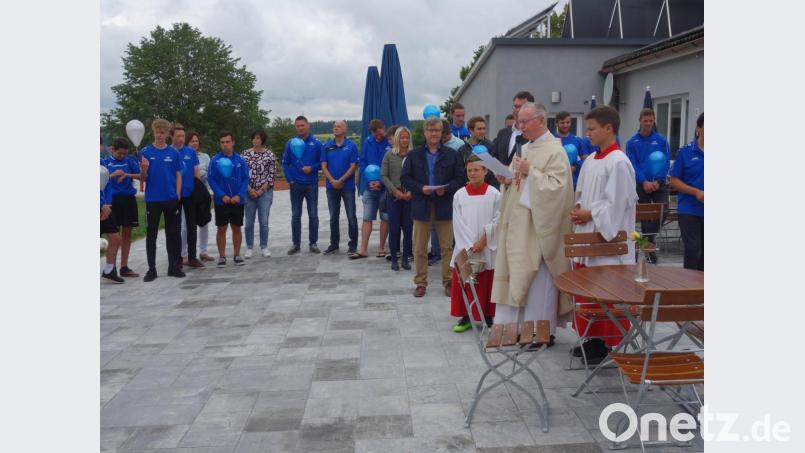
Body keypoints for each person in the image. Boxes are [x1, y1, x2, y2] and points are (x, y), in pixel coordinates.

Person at [491, 103, 575, 345]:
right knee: (517, 273)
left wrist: (531, 172)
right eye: (519, 121)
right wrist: (506, 178)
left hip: (538, 229)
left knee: (540, 282)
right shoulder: (525, 148)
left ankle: (541, 334)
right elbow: (517, 179)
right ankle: (517, 328)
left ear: (541, 121)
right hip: (519, 226)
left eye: (525, 121)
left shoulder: (555, 151)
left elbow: (557, 190)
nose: (520, 126)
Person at [570, 106, 638, 361]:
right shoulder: (590, 160)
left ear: (608, 129)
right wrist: (577, 210)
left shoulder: (619, 162)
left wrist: (589, 214)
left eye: (591, 129)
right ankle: (592, 338)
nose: (587, 134)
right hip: (589, 234)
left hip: (608, 240)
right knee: (588, 290)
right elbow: (582, 195)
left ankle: (606, 343)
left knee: (605, 289)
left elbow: (617, 205)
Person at [401, 117, 466, 298]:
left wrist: (445, 189)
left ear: (442, 133)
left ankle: (448, 282)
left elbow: (460, 179)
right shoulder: (413, 155)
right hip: (421, 205)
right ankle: (421, 283)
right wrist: (420, 188)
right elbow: (405, 178)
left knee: (447, 247)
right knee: (420, 248)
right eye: (430, 130)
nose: (434, 133)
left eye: (437, 130)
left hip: (444, 204)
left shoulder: (452, 154)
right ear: (424, 133)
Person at [450, 157, 501, 332]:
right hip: (466, 247)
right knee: (464, 280)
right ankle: (465, 317)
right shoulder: (459, 195)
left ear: (485, 171)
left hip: (486, 245)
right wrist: (470, 244)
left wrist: (482, 242)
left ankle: (488, 316)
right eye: (470, 170)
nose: (472, 173)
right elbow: (458, 222)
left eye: (477, 170)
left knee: (487, 281)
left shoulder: (494, 194)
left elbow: (498, 220)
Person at [139, 118, 184, 282]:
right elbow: (143, 179)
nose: (159, 135)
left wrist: (178, 193)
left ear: (167, 134)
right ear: (153, 132)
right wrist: (143, 170)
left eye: (163, 132)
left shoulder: (174, 153)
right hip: (153, 200)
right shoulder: (145, 152)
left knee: (172, 234)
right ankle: (152, 269)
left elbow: (178, 174)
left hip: (171, 199)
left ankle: (173, 267)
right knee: (151, 235)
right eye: (157, 132)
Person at [626, 108, 670, 263]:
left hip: (658, 183)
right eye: (646, 121)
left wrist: (658, 181)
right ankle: (650, 252)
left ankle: (645, 240)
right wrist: (644, 181)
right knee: (645, 216)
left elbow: (665, 161)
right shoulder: (632, 142)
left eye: (651, 121)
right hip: (641, 184)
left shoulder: (661, 140)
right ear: (640, 121)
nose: (649, 124)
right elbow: (632, 164)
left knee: (663, 210)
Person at [208, 131, 250, 267]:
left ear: (233, 142)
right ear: (220, 144)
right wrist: (222, 195)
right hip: (222, 201)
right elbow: (211, 179)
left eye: (227, 141)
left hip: (238, 200)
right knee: (222, 228)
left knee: (236, 228)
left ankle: (237, 255)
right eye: (222, 142)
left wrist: (239, 195)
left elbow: (245, 179)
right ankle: (222, 257)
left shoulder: (240, 160)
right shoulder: (215, 160)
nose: (225, 144)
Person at [282, 116, 323, 254]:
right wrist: (290, 179)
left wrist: (312, 168)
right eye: (297, 126)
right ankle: (296, 243)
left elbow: (322, 163)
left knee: (313, 214)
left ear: (308, 125)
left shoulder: (317, 143)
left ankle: (313, 243)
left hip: (311, 184)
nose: (300, 128)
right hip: (296, 185)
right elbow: (285, 162)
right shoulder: (290, 143)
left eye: (302, 125)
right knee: (295, 215)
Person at [669, 112, 704, 271]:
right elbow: (674, 180)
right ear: (699, 129)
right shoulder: (685, 152)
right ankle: (688, 288)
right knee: (692, 250)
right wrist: (696, 192)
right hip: (689, 209)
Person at [320, 120, 359, 255]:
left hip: (347, 186)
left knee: (351, 216)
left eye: (338, 126)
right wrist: (332, 180)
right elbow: (323, 166)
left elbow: (353, 166)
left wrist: (341, 180)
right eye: (334, 126)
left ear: (344, 129)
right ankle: (334, 244)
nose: (335, 128)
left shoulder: (352, 146)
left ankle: (353, 245)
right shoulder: (326, 146)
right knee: (333, 217)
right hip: (331, 187)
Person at [352, 119, 389, 259]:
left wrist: (381, 182)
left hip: (385, 187)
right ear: (372, 133)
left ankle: (381, 247)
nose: (378, 137)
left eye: (380, 134)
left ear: (383, 129)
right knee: (367, 218)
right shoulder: (367, 142)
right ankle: (363, 249)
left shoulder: (389, 142)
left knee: (385, 218)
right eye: (376, 135)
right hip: (369, 186)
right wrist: (370, 180)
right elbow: (362, 162)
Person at [104, 138, 141, 277]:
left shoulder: (130, 160)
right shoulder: (106, 162)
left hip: (128, 200)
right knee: (114, 235)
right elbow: (100, 180)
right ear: (112, 149)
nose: (121, 156)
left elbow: (141, 176)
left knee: (127, 234)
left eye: (124, 154)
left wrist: (126, 174)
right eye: (119, 153)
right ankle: (110, 268)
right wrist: (113, 174)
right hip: (112, 201)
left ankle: (124, 267)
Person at [381, 126, 414, 271]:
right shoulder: (389, 155)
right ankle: (394, 258)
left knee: (408, 228)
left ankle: (406, 258)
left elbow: (419, 175)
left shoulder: (414, 155)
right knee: (394, 229)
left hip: (409, 198)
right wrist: (395, 192)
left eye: (407, 137)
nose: (405, 140)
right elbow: (383, 176)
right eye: (402, 137)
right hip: (393, 198)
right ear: (397, 139)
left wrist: (411, 192)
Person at [171, 123, 203, 270]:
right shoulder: (168, 152)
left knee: (192, 227)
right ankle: (177, 258)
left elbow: (196, 172)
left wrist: (199, 191)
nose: (181, 139)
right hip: (173, 196)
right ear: (172, 136)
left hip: (190, 195)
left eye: (183, 136)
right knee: (176, 228)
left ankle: (192, 257)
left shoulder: (191, 152)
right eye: (178, 136)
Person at [242, 129, 276, 259]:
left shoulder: (270, 155)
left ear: (262, 140)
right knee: (249, 222)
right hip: (248, 192)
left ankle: (264, 246)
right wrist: (250, 189)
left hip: (265, 192)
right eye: (254, 138)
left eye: (258, 138)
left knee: (264, 221)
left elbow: (271, 176)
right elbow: (242, 174)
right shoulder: (244, 154)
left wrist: (261, 190)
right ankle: (249, 247)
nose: (256, 140)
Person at [184, 132, 214, 262]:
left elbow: (210, 172)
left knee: (204, 222)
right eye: (191, 141)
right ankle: (184, 253)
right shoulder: (183, 155)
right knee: (186, 225)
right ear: (187, 143)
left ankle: (203, 251)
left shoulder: (205, 157)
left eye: (196, 141)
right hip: (188, 194)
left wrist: (202, 176)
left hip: (202, 193)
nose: (194, 143)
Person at [492, 91, 534, 167]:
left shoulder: (533, 136)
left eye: (521, 107)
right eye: (515, 106)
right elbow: (495, 157)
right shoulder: (502, 133)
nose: (517, 110)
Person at [457, 116, 498, 188]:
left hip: (488, 188)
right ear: (470, 130)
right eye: (479, 129)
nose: (483, 131)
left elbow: (493, 169)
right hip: (468, 189)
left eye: (484, 129)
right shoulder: (462, 149)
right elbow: (460, 171)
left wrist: (478, 181)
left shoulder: (491, 146)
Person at [554, 110, 590, 188]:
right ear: (557, 123)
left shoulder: (577, 140)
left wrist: (575, 167)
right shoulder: (551, 140)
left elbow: (586, 160)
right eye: (562, 123)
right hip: (555, 182)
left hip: (573, 183)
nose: (565, 125)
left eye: (568, 122)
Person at [100, 163, 124, 283]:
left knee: (115, 238)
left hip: (105, 207)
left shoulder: (102, 162)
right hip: (101, 205)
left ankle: (109, 270)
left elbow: (106, 183)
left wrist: (107, 204)